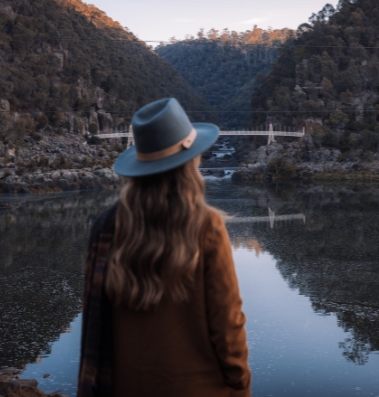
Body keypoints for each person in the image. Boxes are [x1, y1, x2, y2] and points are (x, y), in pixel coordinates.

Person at [78, 98, 251, 397]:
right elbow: (228, 324)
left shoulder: (106, 227)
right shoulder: (206, 226)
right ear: (190, 161)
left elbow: (94, 323)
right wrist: (240, 380)